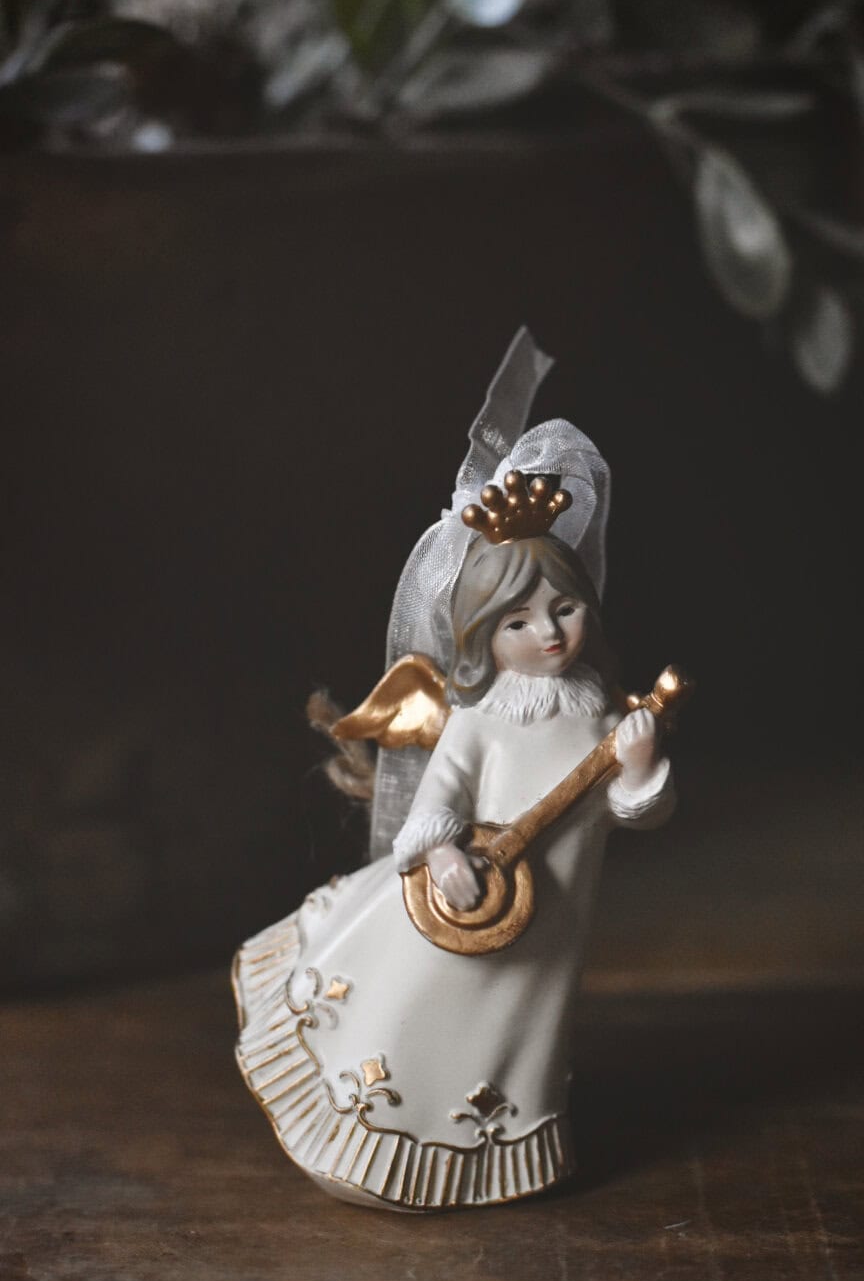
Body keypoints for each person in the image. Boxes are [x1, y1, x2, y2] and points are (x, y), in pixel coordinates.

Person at [233, 332, 675, 1210]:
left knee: (508, 1032)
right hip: (460, 905)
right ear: (482, 637)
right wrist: (441, 855)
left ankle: (485, 1158)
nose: (550, 634)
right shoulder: (479, 719)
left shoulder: (601, 716)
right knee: (413, 1011)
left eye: (565, 609)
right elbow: (437, 803)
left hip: (549, 925)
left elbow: (634, 814)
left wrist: (640, 768)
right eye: (520, 623)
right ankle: (372, 1142)